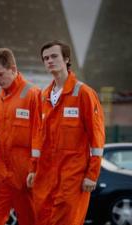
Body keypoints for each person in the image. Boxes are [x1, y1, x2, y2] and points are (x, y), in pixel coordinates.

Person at [31, 40, 105, 225]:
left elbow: (97, 138)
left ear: (66, 59)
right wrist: (33, 169)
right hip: (45, 176)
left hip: (73, 176)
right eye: (45, 58)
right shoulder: (43, 96)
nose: (49, 61)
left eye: (54, 56)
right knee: (43, 219)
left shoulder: (84, 94)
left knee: (68, 220)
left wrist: (91, 175)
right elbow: (38, 137)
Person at [0, 48, 41, 225]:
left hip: (23, 174)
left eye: (0, 74)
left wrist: (34, 169)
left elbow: (39, 136)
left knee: (31, 220)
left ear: (13, 69)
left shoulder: (33, 95)